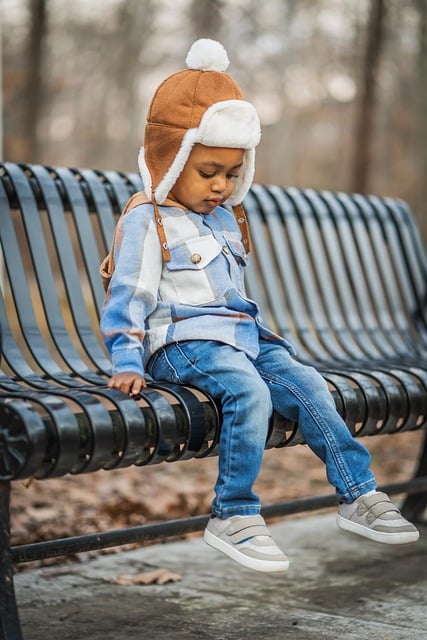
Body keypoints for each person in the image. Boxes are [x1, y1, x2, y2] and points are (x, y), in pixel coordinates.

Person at [100, 39, 419, 574]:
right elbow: (128, 294)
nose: (221, 186)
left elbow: (232, 299)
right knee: (248, 391)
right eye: (208, 172)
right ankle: (235, 514)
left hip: (242, 340)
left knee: (308, 382)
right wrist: (127, 360)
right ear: (170, 158)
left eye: (231, 172)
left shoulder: (224, 218)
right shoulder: (147, 219)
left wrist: (262, 344)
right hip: (180, 344)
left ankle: (358, 494)